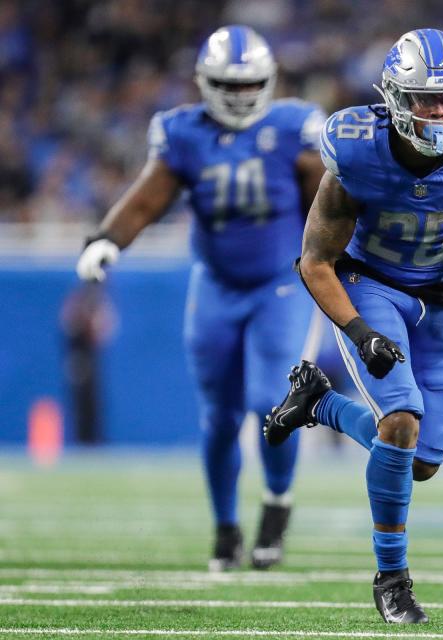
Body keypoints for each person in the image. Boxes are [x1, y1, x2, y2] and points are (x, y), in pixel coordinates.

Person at [262, 29, 443, 624]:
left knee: (421, 460)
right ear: (393, 99)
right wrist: (362, 333)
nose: (441, 113)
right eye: (426, 100)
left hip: (436, 295)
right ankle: (393, 579)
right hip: (368, 283)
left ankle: (322, 405)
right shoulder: (356, 151)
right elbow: (314, 262)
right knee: (401, 422)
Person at [75, 25, 328, 571]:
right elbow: (148, 197)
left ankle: (276, 508)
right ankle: (224, 528)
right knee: (218, 416)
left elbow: (329, 205)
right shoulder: (183, 133)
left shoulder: (294, 127)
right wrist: (106, 239)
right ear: (204, 83)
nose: (239, 96)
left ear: (269, 81)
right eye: (227, 85)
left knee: (272, 402)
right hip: (215, 285)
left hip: (280, 285)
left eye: (250, 84)